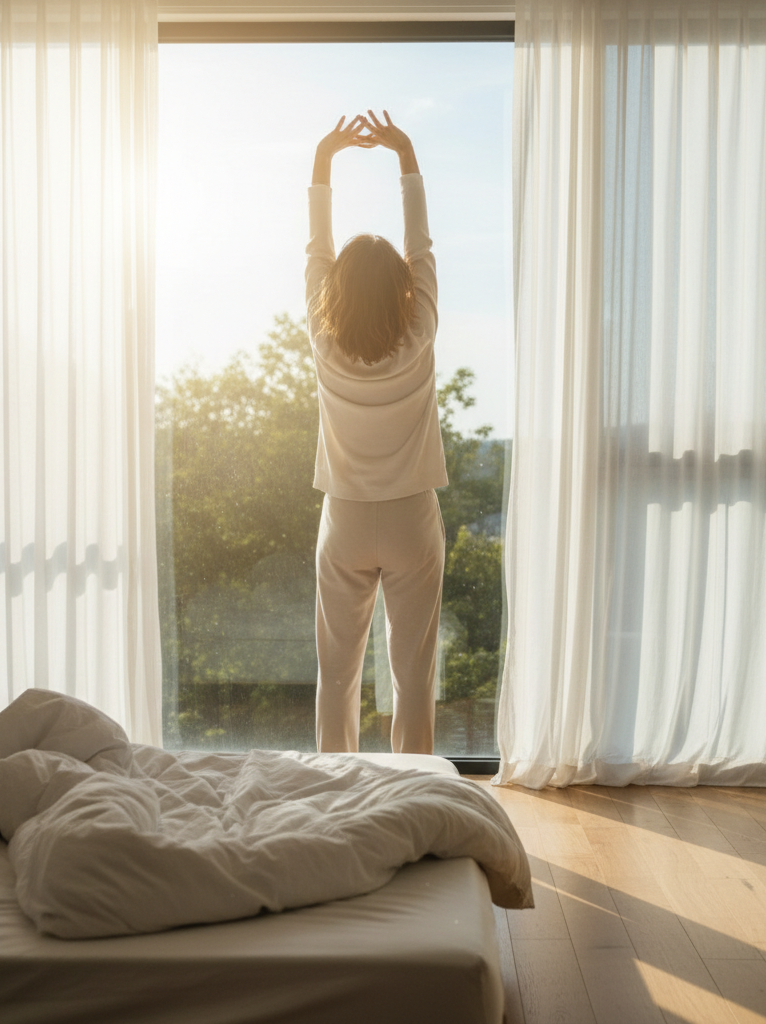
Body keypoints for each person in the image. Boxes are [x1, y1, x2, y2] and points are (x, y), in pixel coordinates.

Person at [306, 110, 448, 755]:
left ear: (335, 292)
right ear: (404, 291)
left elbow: (318, 251)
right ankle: (413, 791)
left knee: (337, 672)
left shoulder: (322, 339)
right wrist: (406, 154)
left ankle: (334, 786)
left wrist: (325, 158)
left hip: (345, 518)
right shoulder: (419, 335)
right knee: (412, 674)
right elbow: (420, 248)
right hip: (411, 515)